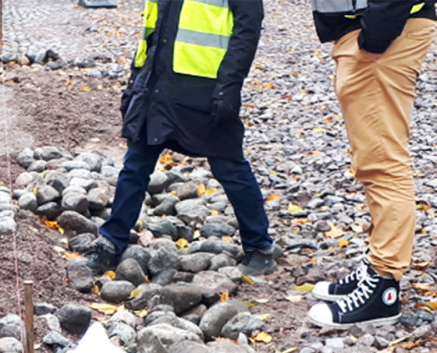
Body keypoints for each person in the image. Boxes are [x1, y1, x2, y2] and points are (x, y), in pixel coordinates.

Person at [92, 0, 275, 277]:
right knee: (135, 164)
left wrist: (230, 85)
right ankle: (111, 242)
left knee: (229, 165)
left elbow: (247, 28)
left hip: (206, 88)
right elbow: (153, 28)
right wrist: (135, 78)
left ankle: (260, 248)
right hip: (157, 83)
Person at [307, 0, 436, 329]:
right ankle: (376, 269)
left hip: (385, 30)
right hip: (376, 28)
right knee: (373, 158)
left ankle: (383, 288)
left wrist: (377, 32)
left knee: (382, 162)